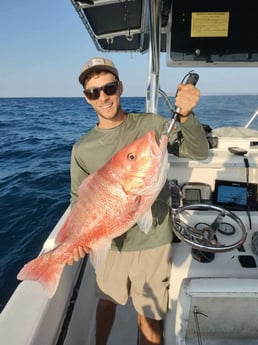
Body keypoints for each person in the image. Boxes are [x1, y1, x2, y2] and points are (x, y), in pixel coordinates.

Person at [68, 57, 209, 345]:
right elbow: (77, 201)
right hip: (110, 243)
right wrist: (75, 241)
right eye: (94, 92)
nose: (103, 97)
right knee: (106, 301)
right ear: (86, 98)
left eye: (108, 88)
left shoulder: (151, 125)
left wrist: (186, 116)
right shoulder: (82, 148)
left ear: (119, 87)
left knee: (149, 314)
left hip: (153, 240)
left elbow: (198, 152)